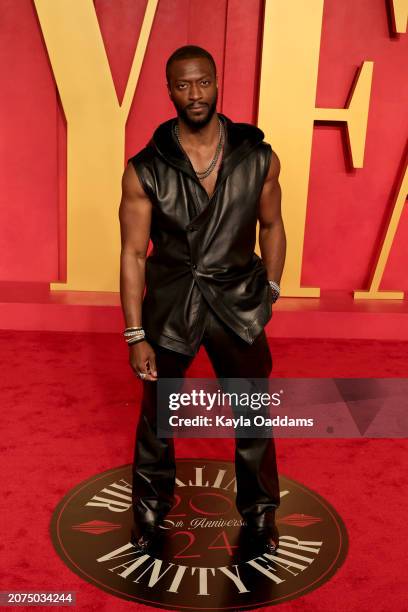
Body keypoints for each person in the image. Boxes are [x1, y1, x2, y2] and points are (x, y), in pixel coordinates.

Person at [119, 45, 286, 556]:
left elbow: (273, 226)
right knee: (158, 414)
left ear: (217, 83)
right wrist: (134, 333)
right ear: (169, 90)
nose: (195, 94)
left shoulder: (258, 157)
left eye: (203, 83)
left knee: (253, 411)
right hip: (172, 306)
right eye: (183, 85)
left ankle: (260, 513)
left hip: (237, 300)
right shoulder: (144, 168)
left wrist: (271, 290)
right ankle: (149, 508)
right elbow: (132, 253)